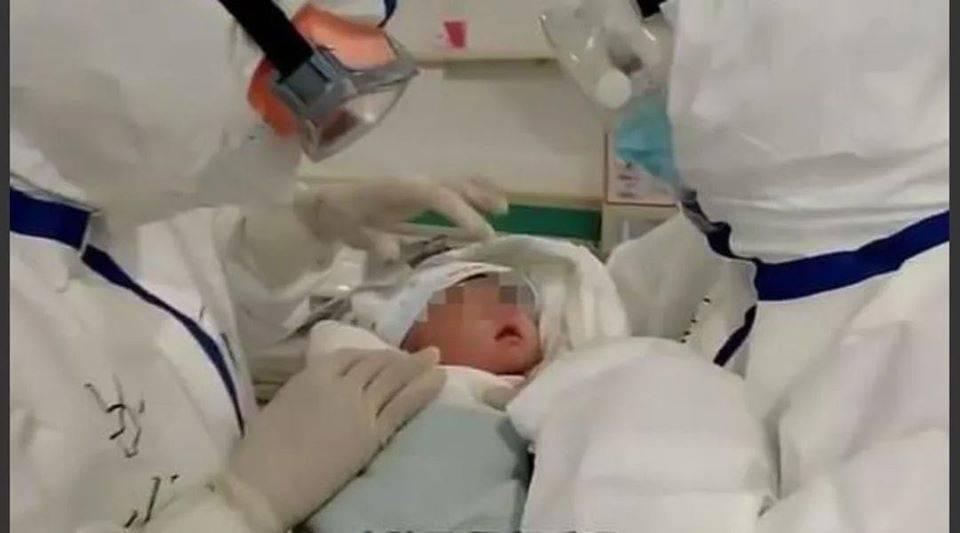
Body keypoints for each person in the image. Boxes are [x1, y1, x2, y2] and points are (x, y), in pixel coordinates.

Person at [10, 1, 509, 532]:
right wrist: (243, 508)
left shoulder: (124, 184)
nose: (308, 130)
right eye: (305, 79)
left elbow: (194, 320)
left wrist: (304, 231)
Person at [508, 0, 949, 531]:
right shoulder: (749, 240)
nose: (625, 83)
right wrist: (460, 288)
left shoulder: (925, 340)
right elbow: (577, 305)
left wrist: (625, 401)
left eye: (654, 25)